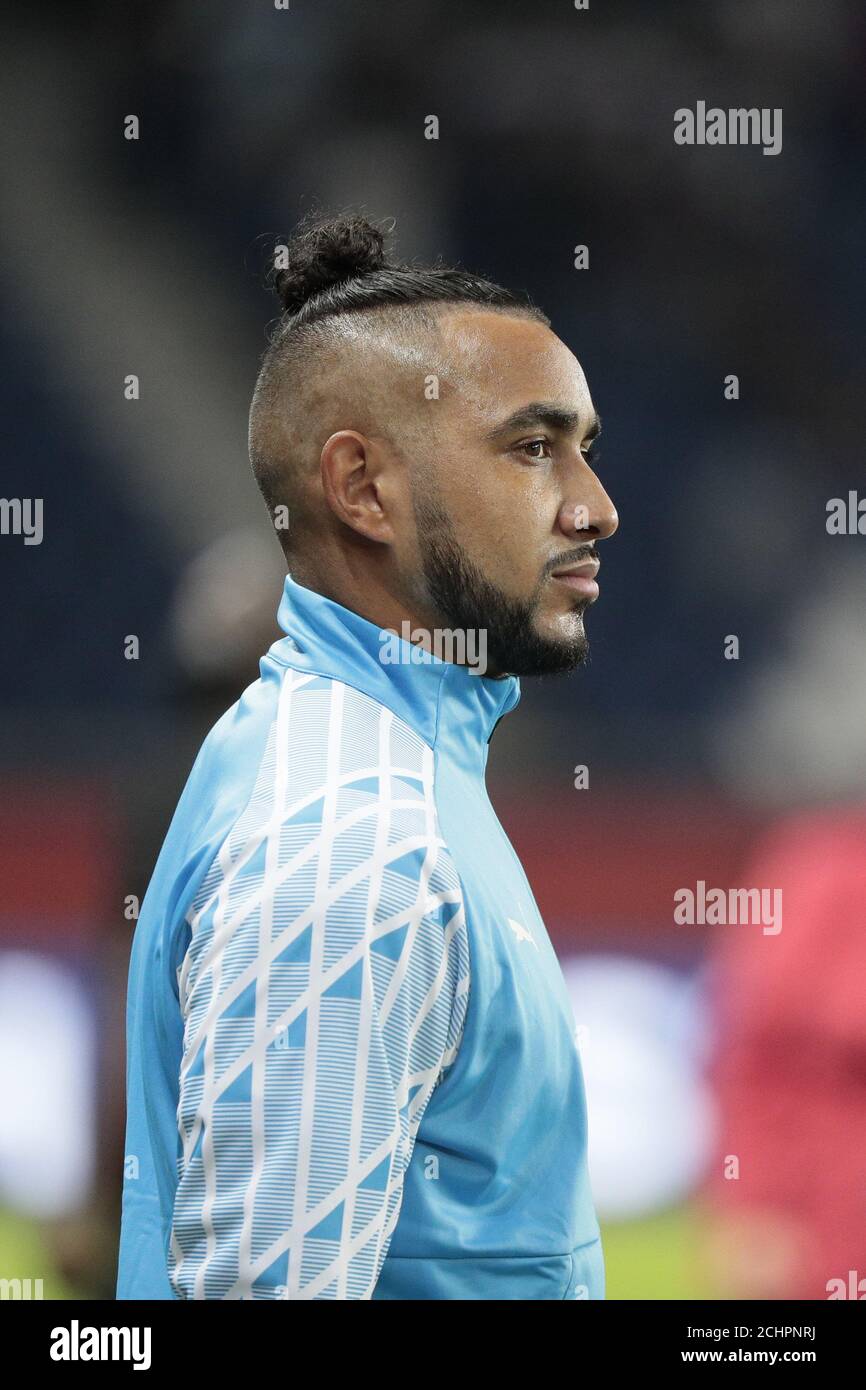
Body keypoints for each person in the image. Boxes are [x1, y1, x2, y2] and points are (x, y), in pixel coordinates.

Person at [116, 211, 618, 1300]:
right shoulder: (352, 844)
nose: (594, 507)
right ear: (361, 488)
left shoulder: (362, 756)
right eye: (534, 447)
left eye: (584, 449)